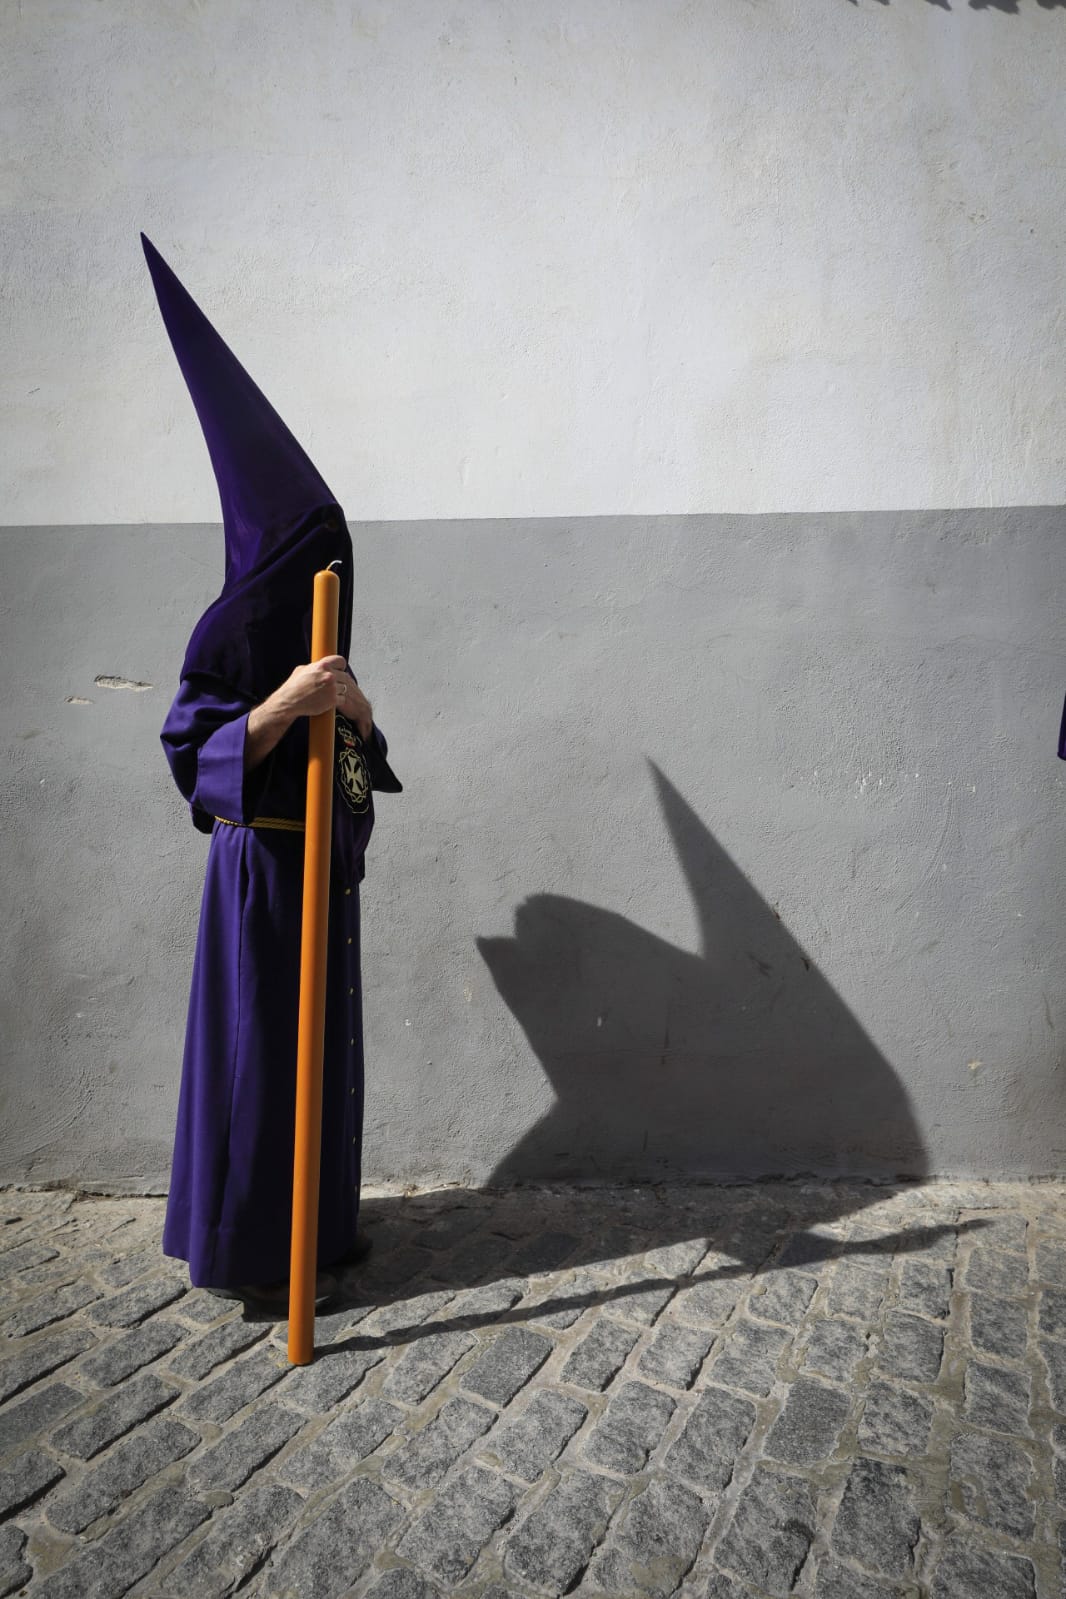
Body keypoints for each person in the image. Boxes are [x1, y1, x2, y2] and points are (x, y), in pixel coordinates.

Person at [143, 235, 401, 1309]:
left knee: (320, 1065)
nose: (331, 569)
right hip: (258, 879)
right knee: (258, 1063)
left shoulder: (322, 623)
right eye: (317, 548)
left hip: (319, 880)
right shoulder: (233, 627)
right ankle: (253, 1252)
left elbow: (356, 775)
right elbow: (187, 751)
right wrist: (283, 705)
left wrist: (358, 714)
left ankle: (317, 1232)